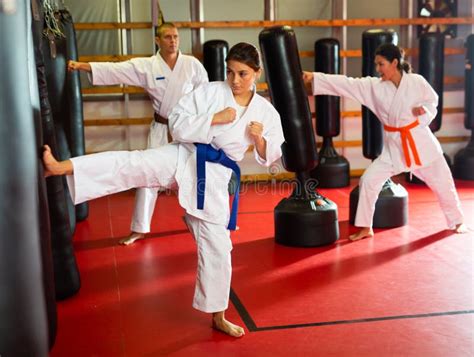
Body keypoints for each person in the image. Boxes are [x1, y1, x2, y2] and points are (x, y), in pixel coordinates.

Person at [44, 42, 285, 337]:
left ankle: (218, 316)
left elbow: (271, 156)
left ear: (257, 74)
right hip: (184, 155)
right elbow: (178, 124)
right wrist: (213, 119)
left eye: (243, 74)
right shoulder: (211, 92)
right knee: (135, 163)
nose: (234, 80)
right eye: (230, 72)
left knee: (219, 248)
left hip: (214, 177)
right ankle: (61, 167)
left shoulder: (265, 111)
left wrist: (259, 140)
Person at [303, 43, 467, 241]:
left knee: (443, 183)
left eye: (381, 64)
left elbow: (432, 101)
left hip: (421, 142)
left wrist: (424, 111)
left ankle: (457, 221)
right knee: (369, 180)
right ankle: (365, 227)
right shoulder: (374, 87)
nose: (378, 69)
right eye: (376, 64)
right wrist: (315, 77)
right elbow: (347, 83)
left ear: (395, 63)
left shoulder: (416, 82)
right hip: (394, 147)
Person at [68, 22, 208, 245]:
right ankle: (140, 228)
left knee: (197, 175)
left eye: (175, 37)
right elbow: (117, 69)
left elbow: (206, 95)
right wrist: (84, 66)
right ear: (157, 41)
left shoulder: (192, 65)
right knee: (146, 177)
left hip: (189, 130)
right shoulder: (147, 66)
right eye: (168, 37)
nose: (173, 41)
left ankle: (204, 220)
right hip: (161, 129)